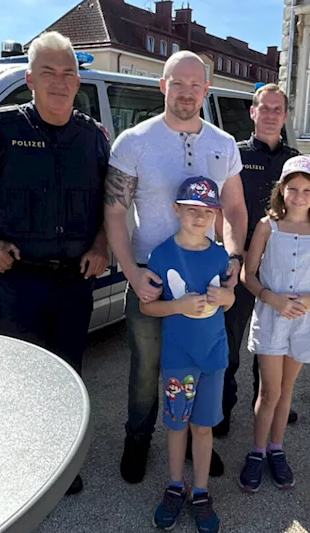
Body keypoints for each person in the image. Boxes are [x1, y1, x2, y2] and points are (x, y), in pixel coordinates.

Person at [0, 31, 110, 494]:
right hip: (20, 281)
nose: (60, 82)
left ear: (79, 80)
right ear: (30, 79)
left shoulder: (92, 138)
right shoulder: (3, 129)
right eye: (49, 73)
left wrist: (102, 246)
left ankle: (63, 461)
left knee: (69, 374)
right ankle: (24, 463)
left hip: (75, 281)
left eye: (68, 73)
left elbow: (110, 201)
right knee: (21, 376)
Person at [104, 50, 247, 485]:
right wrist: (130, 271)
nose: (186, 92)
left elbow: (237, 209)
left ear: (206, 89)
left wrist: (236, 259)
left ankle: (192, 441)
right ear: (162, 86)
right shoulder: (134, 141)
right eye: (177, 83)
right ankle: (139, 438)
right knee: (148, 367)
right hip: (150, 273)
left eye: (195, 85)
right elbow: (114, 211)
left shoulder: (223, 145)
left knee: (201, 364)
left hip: (207, 276)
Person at [140, 176, 235, 533]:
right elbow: (148, 309)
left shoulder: (219, 255)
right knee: (177, 425)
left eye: (207, 211)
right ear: (176, 210)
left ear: (215, 214)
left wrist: (226, 298)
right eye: (191, 210)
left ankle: (200, 492)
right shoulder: (161, 255)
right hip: (179, 359)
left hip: (213, 358)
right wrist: (177, 305)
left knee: (203, 426)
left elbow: (229, 296)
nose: (199, 217)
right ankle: (174, 486)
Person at [238, 156, 310, 492]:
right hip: (272, 317)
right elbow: (248, 274)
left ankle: (276, 448)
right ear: (281, 190)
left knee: (285, 392)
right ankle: (256, 451)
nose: (299, 195)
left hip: (304, 321)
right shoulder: (267, 226)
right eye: (292, 188)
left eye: (306, 190)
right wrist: (272, 298)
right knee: (268, 391)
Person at [218, 83, 301, 437]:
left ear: (285, 115)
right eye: (263, 108)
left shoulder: (295, 161)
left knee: (273, 340)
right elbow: (223, 208)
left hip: (281, 266)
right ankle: (222, 408)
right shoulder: (234, 155)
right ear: (252, 113)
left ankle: (268, 402)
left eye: (276, 109)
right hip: (242, 260)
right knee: (231, 339)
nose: (269, 115)